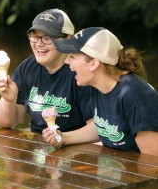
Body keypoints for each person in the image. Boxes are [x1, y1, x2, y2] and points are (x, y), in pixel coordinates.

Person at [42, 27, 158, 156]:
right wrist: (64, 138)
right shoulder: (98, 86)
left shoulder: (136, 97)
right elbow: (105, 127)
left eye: (72, 57)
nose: (67, 61)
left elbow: (152, 162)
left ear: (93, 64)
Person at [0, 8, 93, 133]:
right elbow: (6, 122)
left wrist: (65, 139)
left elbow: (96, 128)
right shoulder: (27, 68)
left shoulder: (80, 72)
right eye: (34, 36)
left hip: (76, 148)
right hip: (37, 146)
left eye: (47, 38)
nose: (39, 44)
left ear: (67, 39)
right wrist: (9, 100)